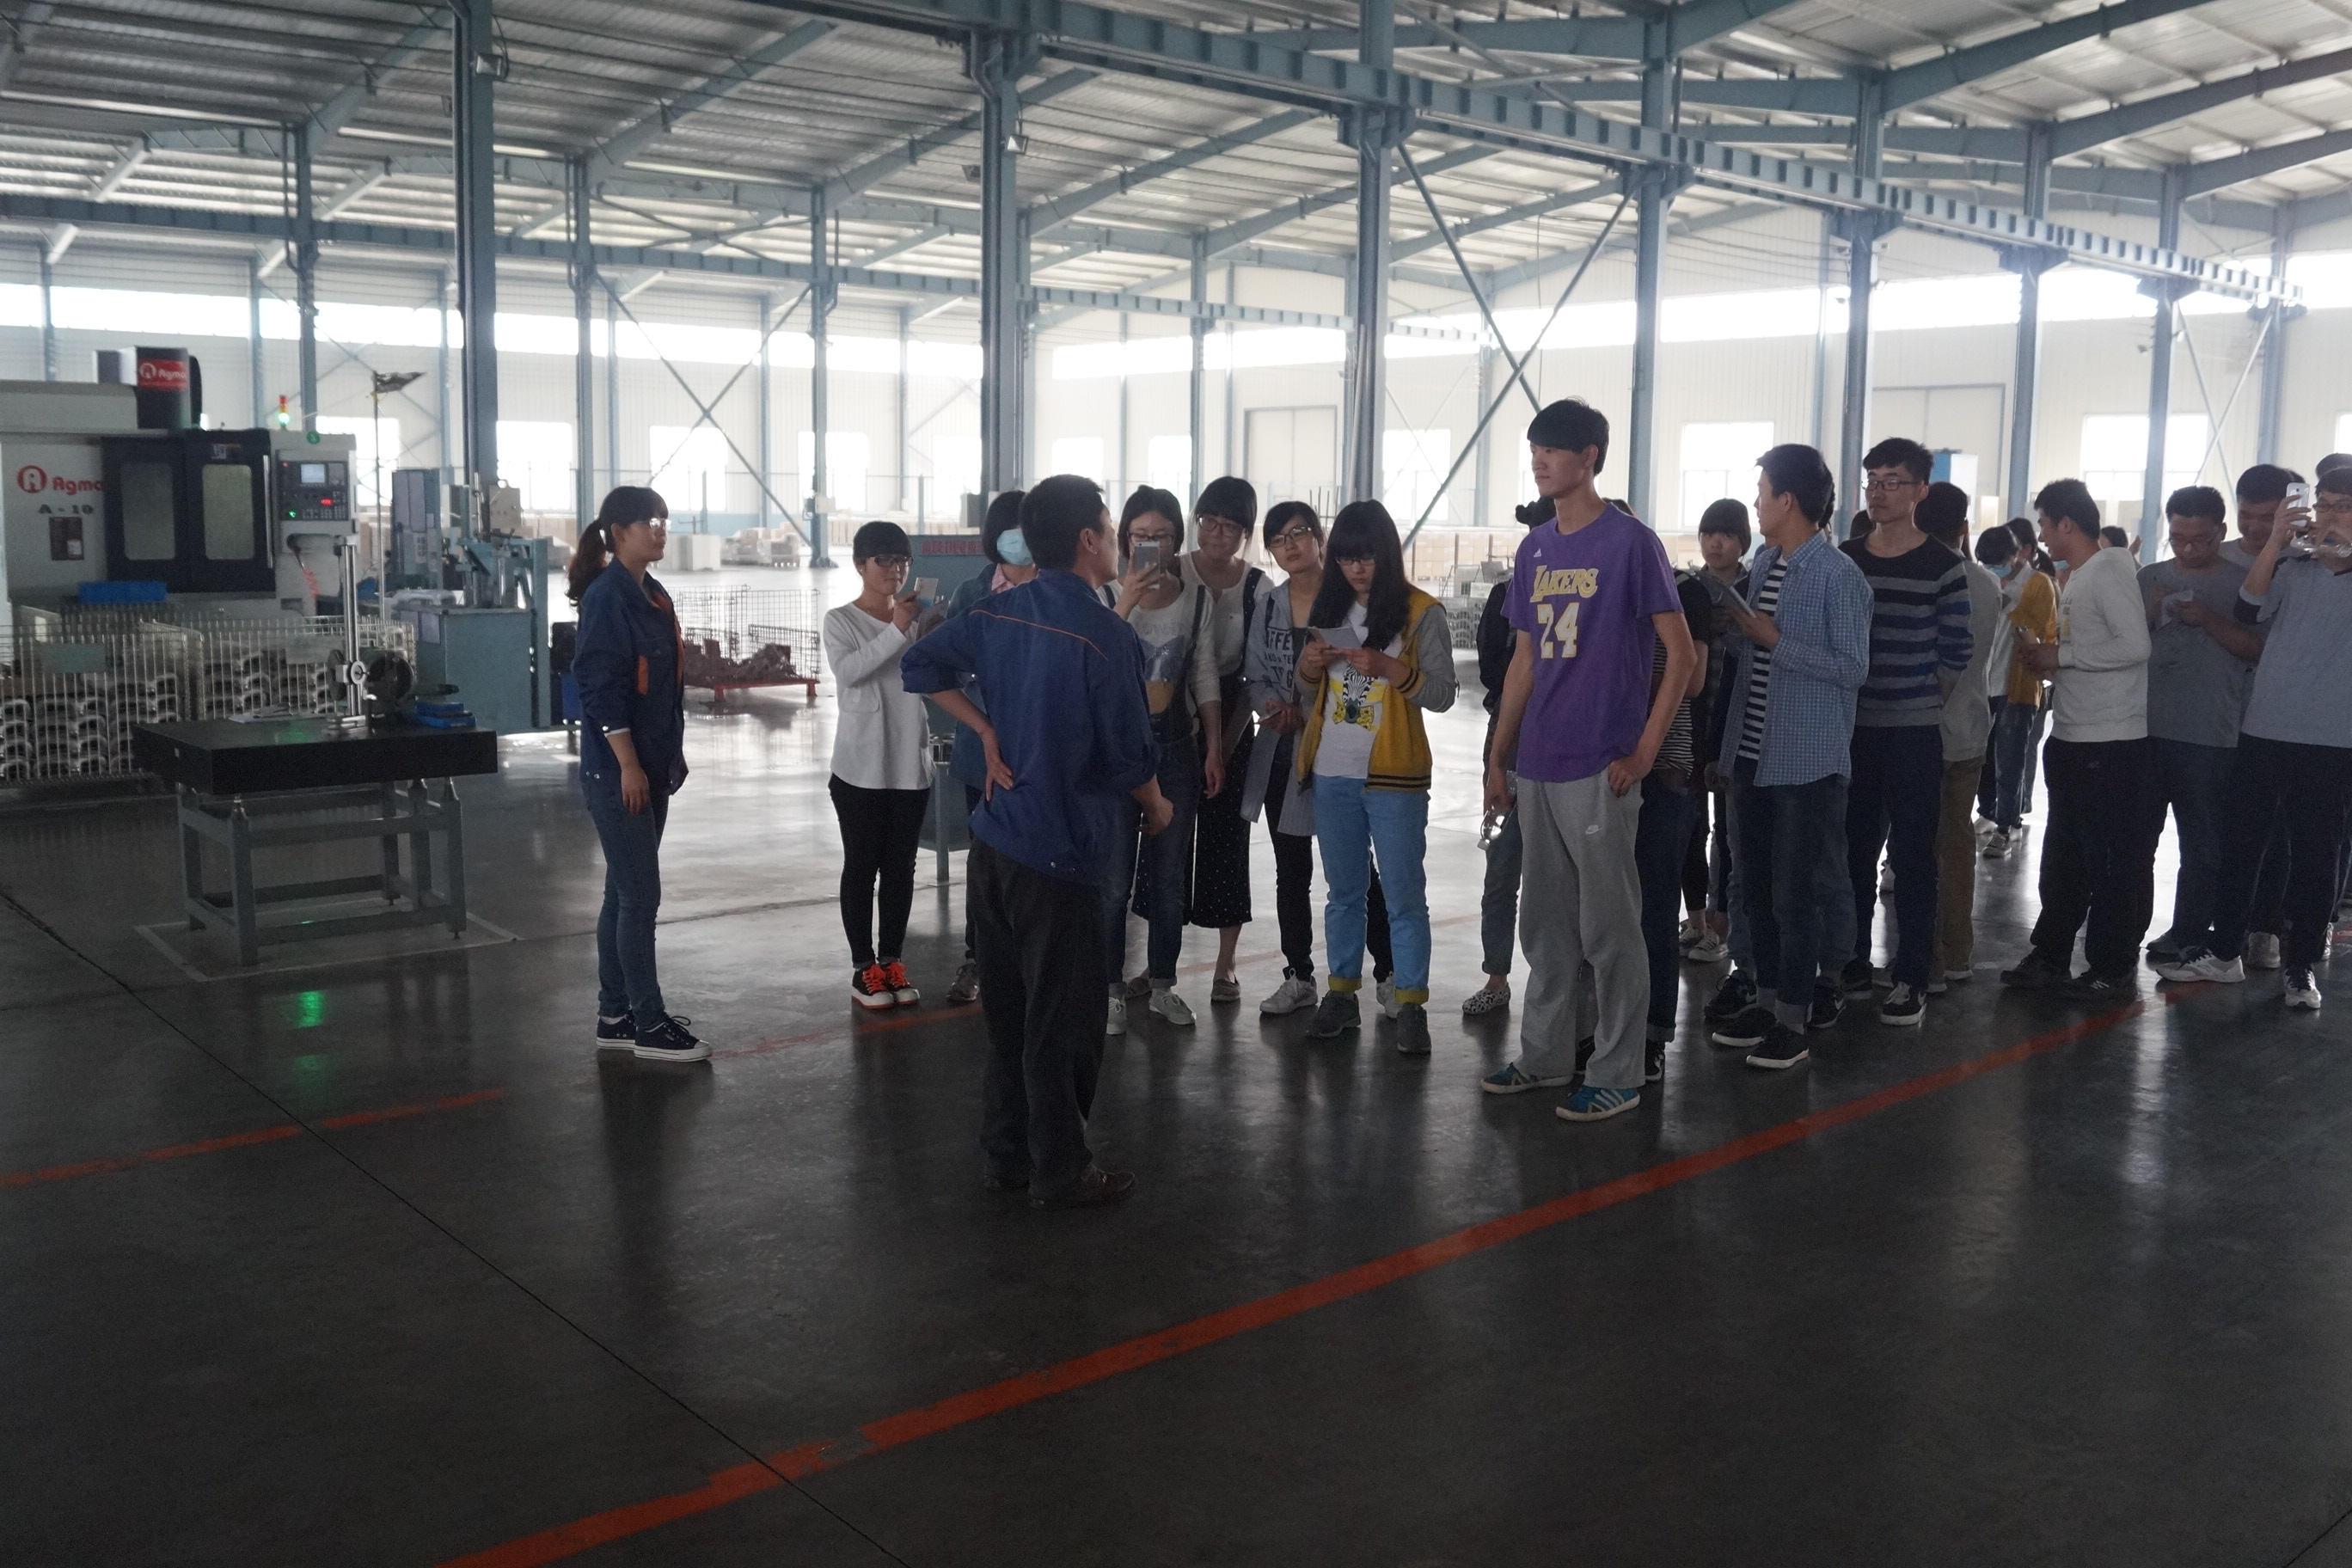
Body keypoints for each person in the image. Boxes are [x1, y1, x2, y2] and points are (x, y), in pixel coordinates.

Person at [899, 474, 1172, 1210]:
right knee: (1065, 1021)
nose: (1117, 544)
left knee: (1010, 1016)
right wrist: (1157, 805)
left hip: (996, 843)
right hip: (1063, 855)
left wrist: (984, 730)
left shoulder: (997, 611)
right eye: (1111, 531)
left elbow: (920, 665)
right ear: (1088, 540)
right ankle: (1062, 1170)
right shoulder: (1107, 636)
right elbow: (1129, 757)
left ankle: (1007, 1157)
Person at [1480, 398, 1696, 1123]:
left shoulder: (1632, 543)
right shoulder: (1535, 550)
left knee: (1610, 927)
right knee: (1545, 926)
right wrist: (1499, 756)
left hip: (1601, 764)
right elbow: (1523, 661)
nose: (1540, 461)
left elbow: (1682, 655)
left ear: (1590, 457)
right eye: (1535, 449)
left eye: (1554, 449)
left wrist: (1643, 751)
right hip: (1539, 762)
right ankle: (1545, 1057)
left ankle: (1619, 1070)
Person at [1702, 445, 1872, 1069]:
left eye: (1763, 491)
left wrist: (1775, 639)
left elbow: (1852, 669)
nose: (1756, 502)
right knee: (1755, 889)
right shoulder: (1765, 566)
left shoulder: (1837, 576)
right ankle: (1767, 1000)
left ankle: (1794, 1021)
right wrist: (1734, 632)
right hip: (1751, 754)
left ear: (1789, 501)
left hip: (1806, 764)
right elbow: (1754, 659)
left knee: (1794, 896)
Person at [2159, 465, 2352, 1009]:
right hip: (2265, 725)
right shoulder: (2293, 564)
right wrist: (2276, 542)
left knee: (2315, 854)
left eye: (2342, 507)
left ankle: (2300, 966)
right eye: (2324, 504)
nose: (2329, 515)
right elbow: (2248, 608)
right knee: (2243, 842)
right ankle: (2225, 951)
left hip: (2332, 736)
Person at [1292, 500, 1456, 1055]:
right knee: (1343, 893)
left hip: (1395, 776)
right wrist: (1310, 667)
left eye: (1366, 557)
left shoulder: (1422, 612)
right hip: (1332, 770)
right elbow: (1308, 690)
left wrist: (1391, 669)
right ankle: (1341, 995)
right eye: (1345, 558)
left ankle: (1410, 1004)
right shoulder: (1329, 609)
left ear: (1387, 554)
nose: (1356, 569)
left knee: (1404, 896)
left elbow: (1443, 694)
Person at [2000, 479, 2156, 1003]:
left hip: (2108, 742)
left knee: (2109, 858)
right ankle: (2050, 954)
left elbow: (2135, 646)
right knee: (2065, 857)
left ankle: (2113, 964)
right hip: (2074, 733)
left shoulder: (2109, 570)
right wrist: (2052, 660)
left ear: (2067, 523)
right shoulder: (2082, 576)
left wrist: (2061, 657)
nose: (2043, 535)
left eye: (2045, 524)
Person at [1240, 500, 1398, 1016]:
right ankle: (1298, 975)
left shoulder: (1350, 602)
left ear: (1319, 538)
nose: (1289, 545)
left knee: (1354, 870)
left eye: (1298, 533)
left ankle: (1388, 973)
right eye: (1277, 539)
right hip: (1282, 751)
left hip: (1340, 749)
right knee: (1291, 869)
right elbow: (1255, 671)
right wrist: (1273, 706)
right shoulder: (1269, 604)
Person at [1838, 438, 1975, 1026]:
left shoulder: (1942, 565)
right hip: (1851, 730)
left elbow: (1957, 649)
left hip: (1914, 733)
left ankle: (1912, 975)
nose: (1879, 491)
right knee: (1851, 853)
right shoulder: (1846, 559)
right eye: (1872, 480)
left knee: (1915, 857)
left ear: (1920, 491)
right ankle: (1848, 962)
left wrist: (1917, 700)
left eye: (1892, 481)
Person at [570, 485, 707, 1062]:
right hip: (621, 774)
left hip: (651, 768)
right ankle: (648, 1023)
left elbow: (663, 687)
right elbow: (600, 691)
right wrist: (627, 764)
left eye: (664, 520)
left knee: (621, 893)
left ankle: (615, 1013)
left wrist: (666, 758)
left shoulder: (652, 593)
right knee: (640, 897)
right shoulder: (608, 598)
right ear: (618, 532)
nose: (660, 530)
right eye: (650, 521)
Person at [1105, 487, 1222, 1032]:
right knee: (1113, 877)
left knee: (1171, 875)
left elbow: (1203, 674)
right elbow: (1094, 663)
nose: (1150, 544)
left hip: (1176, 749)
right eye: (1140, 536)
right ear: (1124, 540)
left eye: (1161, 536)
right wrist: (1126, 600)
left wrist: (1213, 746)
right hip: (1115, 752)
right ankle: (1109, 990)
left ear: (1177, 541)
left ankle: (1162, 985)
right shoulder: (1104, 596)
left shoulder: (1197, 600)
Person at [2137, 487, 2263, 965]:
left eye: (2200, 540)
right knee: (2134, 842)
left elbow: (2256, 650)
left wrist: (2208, 618)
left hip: (2210, 734)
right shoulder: (2149, 577)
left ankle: (2189, 933)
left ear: (2221, 532)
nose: (2187, 549)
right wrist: (2150, 613)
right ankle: (2124, 931)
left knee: (2202, 846)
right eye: (2177, 539)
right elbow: (2122, 644)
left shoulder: (2245, 585)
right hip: (2144, 728)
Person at [823, 521, 936, 1008]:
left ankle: (892, 960)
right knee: (861, 866)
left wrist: (928, 631)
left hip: (909, 764)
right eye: (884, 560)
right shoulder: (840, 621)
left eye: (902, 560)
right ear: (860, 565)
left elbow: (933, 674)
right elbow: (851, 672)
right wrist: (897, 628)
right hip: (860, 769)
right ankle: (862, 967)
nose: (895, 570)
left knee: (900, 869)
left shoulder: (915, 620)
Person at [934, 490, 1036, 1006]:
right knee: (986, 864)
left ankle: (1030, 963)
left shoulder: (1059, 589)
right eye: (1010, 530)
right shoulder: (973, 593)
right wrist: (984, 724)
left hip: (1041, 756)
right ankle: (979, 959)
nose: (1020, 540)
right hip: (985, 756)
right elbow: (943, 671)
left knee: (1036, 866)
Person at [1462, 495, 1554, 1017]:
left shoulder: (1586, 591)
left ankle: (1554, 984)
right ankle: (1497, 976)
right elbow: (1493, 670)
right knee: (1500, 866)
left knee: (1555, 878)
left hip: (1561, 747)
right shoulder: (1506, 594)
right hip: (1507, 744)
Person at [1181, 476, 1264, 1004]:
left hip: (1233, 709)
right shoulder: (1172, 572)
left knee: (1227, 840)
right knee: (1164, 839)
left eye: (1230, 527)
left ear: (1245, 534)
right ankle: (1159, 962)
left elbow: (1257, 672)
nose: (1216, 533)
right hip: (1172, 710)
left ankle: (1225, 963)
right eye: (1208, 522)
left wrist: (1226, 744)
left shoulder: (1258, 588)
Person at [1914, 483, 1999, 991]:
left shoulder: (1925, 575)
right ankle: (1957, 952)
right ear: (1964, 527)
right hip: (1971, 730)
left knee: (1919, 849)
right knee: (1957, 844)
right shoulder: (1987, 583)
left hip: (1923, 730)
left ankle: (1926, 960)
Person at [2225, 463, 2306, 966]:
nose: (2255, 527)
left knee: (2279, 834)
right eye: (2246, 515)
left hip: (2280, 719)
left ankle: (2268, 927)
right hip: (2220, 717)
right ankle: (2220, 927)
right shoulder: (2221, 558)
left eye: (2267, 517)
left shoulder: (2307, 563)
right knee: (2228, 832)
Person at [1681, 498, 1750, 965]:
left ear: (1743, 540)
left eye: (1725, 534)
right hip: (1693, 717)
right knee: (1692, 825)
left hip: (1735, 720)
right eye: (1708, 534)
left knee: (1728, 828)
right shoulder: (1690, 588)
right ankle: (1698, 918)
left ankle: (1723, 923)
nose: (1715, 543)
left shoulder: (1753, 588)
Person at [1975, 523, 2056, 861]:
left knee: (2010, 759)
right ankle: (1988, 811)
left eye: (1998, 563)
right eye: (1986, 564)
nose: (1993, 569)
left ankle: (2008, 825)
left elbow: (2044, 636)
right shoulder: (1983, 579)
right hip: (1982, 682)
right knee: (1981, 757)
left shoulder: (2038, 584)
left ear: (2017, 554)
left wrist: (2010, 606)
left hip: (2017, 685)